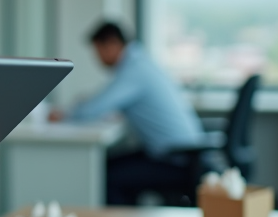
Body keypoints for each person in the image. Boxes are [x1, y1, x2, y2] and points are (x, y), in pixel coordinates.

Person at [53, 21, 204, 205]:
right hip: (181, 154)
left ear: (112, 44)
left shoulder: (134, 69)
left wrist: (65, 115)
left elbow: (94, 108)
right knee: (108, 164)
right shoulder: (141, 62)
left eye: (98, 51)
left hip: (175, 159)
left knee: (106, 176)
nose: (97, 58)